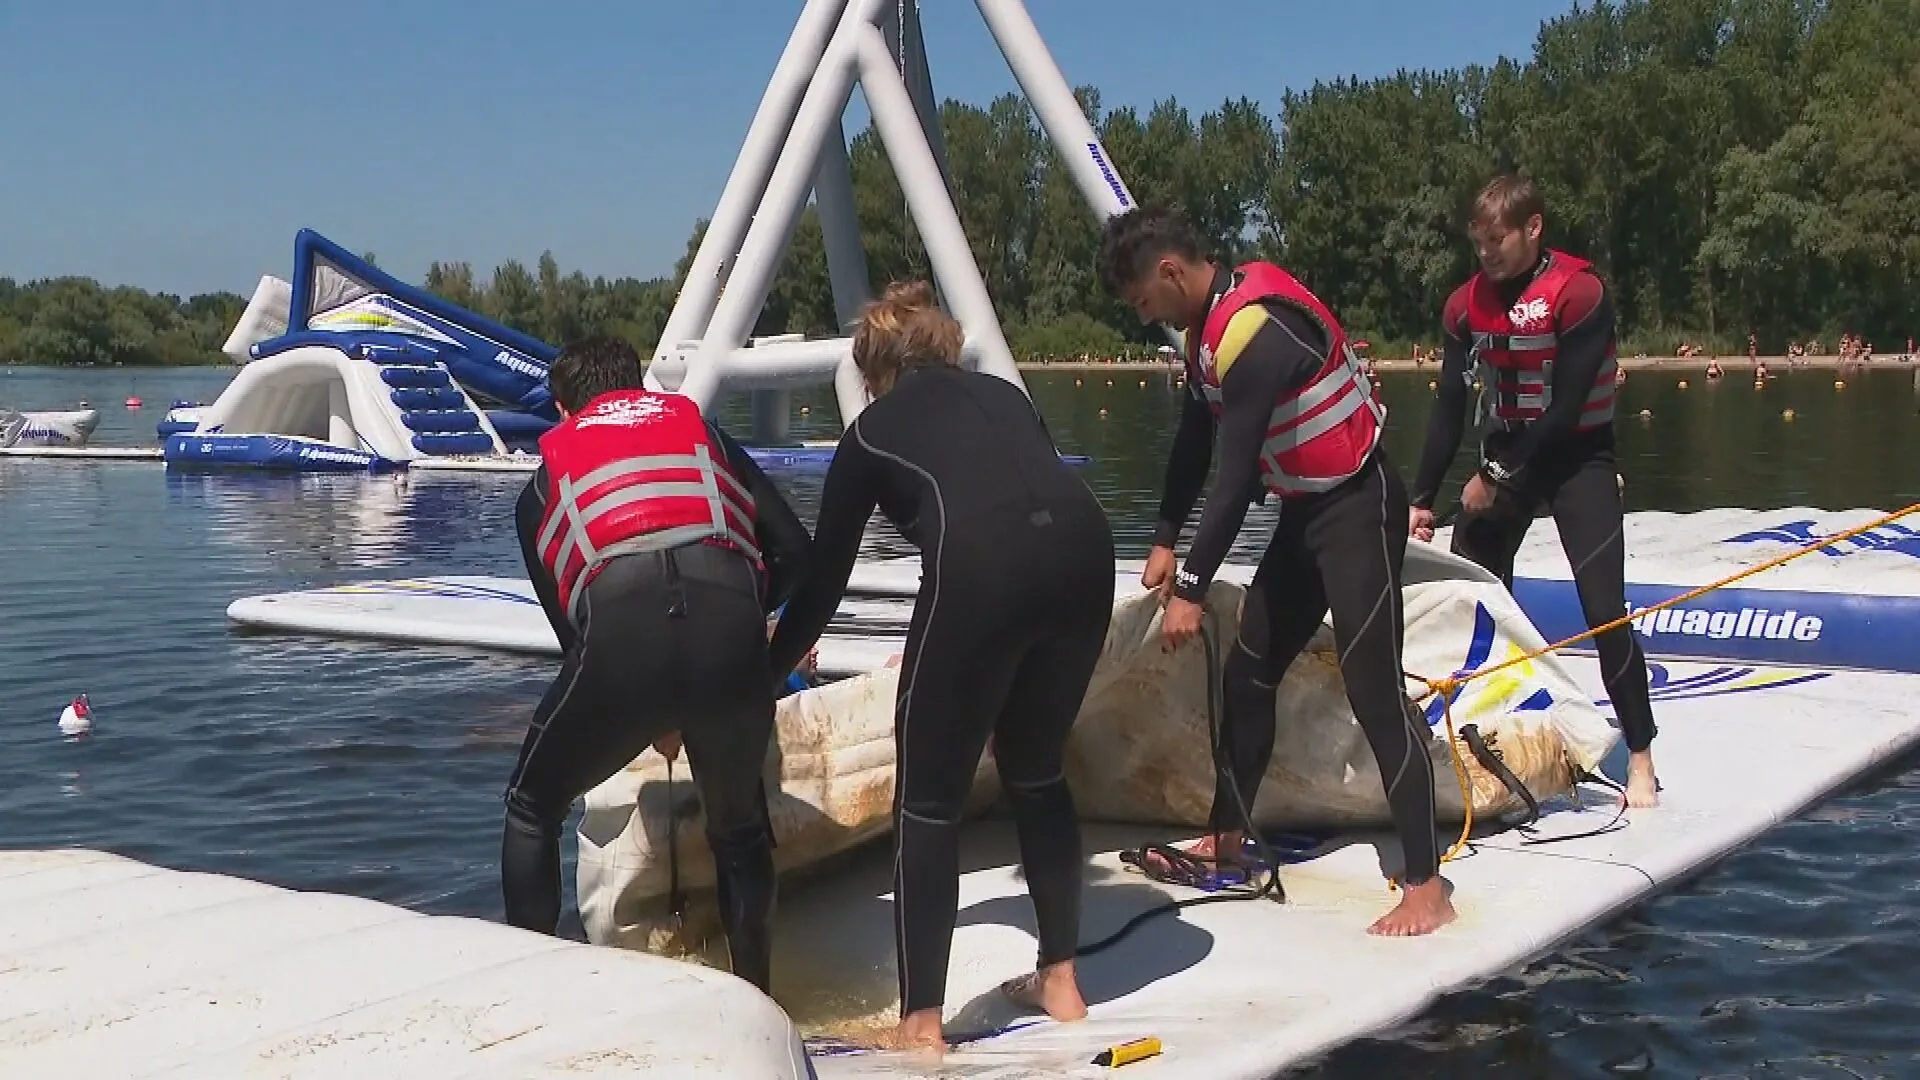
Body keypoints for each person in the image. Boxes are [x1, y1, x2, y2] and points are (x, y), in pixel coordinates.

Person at [766, 282, 1116, 1052]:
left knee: (928, 802)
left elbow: (825, 583)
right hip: (1088, 554)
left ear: (873, 372)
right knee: (1035, 768)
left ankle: (922, 1022)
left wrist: (766, 676)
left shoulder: (870, 435)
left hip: (982, 567)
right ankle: (1061, 978)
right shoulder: (1003, 393)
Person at [1097, 205, 1454, 938]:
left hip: (1360, 507)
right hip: (1305, 515)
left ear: (1169, 273)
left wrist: (1192, 588)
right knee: (1249, 670)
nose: (1142, 317)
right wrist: (1164, 538)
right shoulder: (1206, 337)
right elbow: (1195, 440)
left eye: (1141, 302)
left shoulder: (1255, 331)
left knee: (1372, 687)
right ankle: (1227, 837)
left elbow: (1233, 477)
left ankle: (1428, 882)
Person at [502, 335, 811, 995]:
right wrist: (748, 651)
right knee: (740, 832)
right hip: (729, 620)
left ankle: (530, 994)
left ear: (563, 410)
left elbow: (575, 637)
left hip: (622, 630)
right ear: (641, 388)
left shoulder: (541, 482)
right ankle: (759, 1000)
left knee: (532, 807)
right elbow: (795, 554)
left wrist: (648, 708)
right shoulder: (701, 433)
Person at [1406, 172, 1661, 809]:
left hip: (1577, 457)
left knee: (1605, 609)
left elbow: (1569, 406)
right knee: (1469, 603)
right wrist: (1420, 497)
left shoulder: (1579, 292)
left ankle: (1640, 754)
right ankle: (1479, 734)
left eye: (1499, 239)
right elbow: (1447, 407)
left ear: (1533, 228)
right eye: (1479, 242)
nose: (1487, 253)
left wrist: (1494, 480)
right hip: (1506, 451)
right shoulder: (1465, 304)